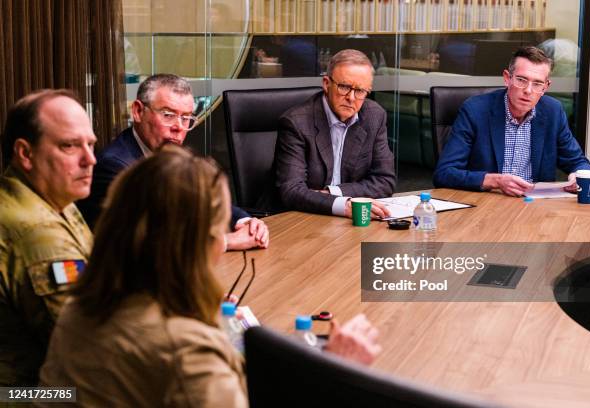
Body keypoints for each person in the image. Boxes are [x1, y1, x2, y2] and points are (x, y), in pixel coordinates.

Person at [39, 146, 381, 406]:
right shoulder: (188, 354)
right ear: (199, 242)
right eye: (220, 228)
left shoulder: (80, 307)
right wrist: (337, 375)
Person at [78, 74, 268, 250]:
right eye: (168, 115)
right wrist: (226, 241)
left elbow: (206, 201)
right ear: (137, 111)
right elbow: (150, 242)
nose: (178, 127)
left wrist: (245, 223)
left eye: (186, 118)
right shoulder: (116, 167)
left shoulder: (173, 158)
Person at [0, 90, 96, 386]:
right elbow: (90, 347)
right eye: (69, 146)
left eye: (91, 144)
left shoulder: (58, 200)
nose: (90, 159)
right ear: (26, 154)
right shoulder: (35, 231)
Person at [433, 46, 590, 196]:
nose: (528, 90)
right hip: (487, 205)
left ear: (545, 87)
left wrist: (577, 175)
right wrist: (495, 180)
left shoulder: (553, 112)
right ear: (507, 78)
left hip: (535, 207)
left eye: (537, 83)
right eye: (521, 80)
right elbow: (444, 173)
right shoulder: (475, 111)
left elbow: (579, 162)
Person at [275, 49, 395, 218]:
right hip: (301, 219)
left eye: (360, 91)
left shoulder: (374, 116)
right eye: (344, 87)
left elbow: (385, 181)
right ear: (326, 83)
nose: (351, 98)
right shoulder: (296, 123)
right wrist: (343, 206)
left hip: (351, 219)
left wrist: (334, 193)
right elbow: (291, 190)